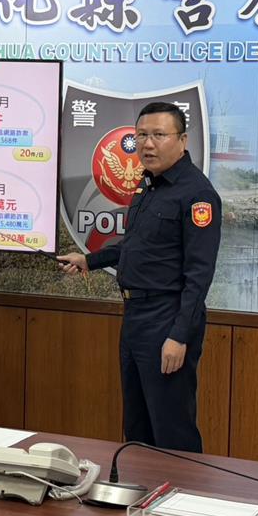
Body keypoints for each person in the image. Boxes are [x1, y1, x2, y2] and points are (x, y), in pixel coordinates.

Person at [58, 102, 221, 453]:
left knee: (171, 428)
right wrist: (88, 260)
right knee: (137, 426)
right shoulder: (148, 186)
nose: (148, 144)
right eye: (142, 135)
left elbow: (199, 274)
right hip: (134, 317)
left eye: (159, 135)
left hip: (167, 320)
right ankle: (141, 487)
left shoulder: (197, 194)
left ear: (182, 141)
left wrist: (179, 336)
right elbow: (133, 246)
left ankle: (180, 488)